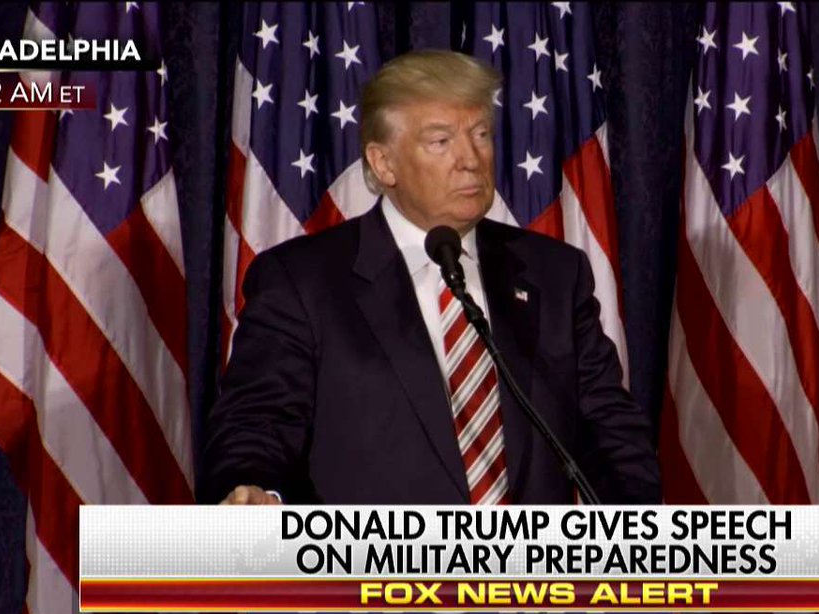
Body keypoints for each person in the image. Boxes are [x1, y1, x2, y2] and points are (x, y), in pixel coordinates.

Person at [202, 50, 660, 506]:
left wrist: (637, 526)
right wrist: (254, 491)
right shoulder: (301, 281)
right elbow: (256, 423)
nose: (471, 160)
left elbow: (610, 432)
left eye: (481, 134)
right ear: (383, 163)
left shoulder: (554, 272)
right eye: (441, 141)